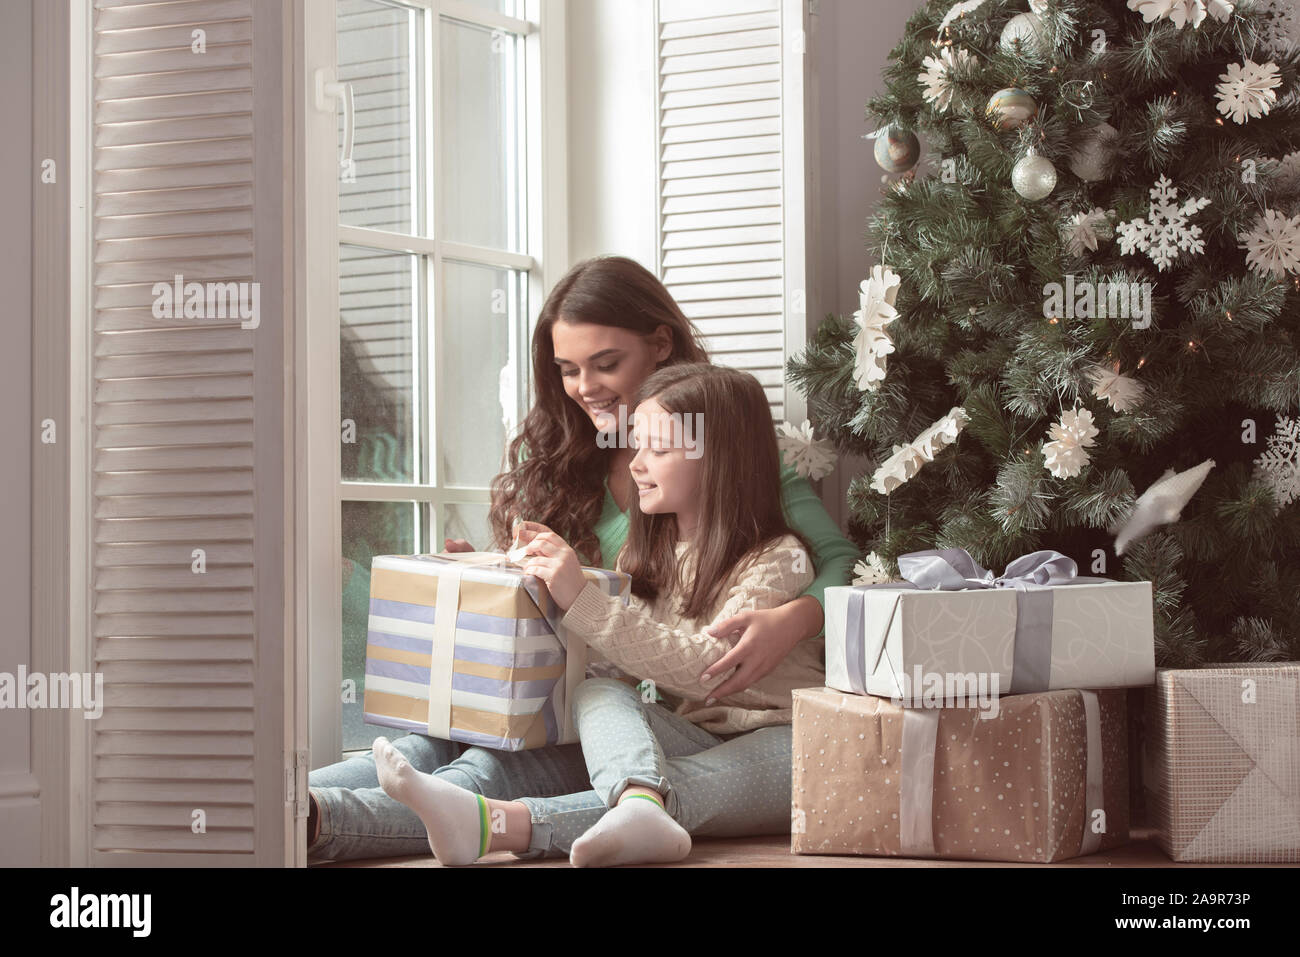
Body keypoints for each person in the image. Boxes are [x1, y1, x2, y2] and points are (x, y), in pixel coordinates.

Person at [307, 256, 857, 862]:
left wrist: (796, 619)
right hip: (617, 703)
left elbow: (840, 565)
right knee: (448, 745)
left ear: (659, 346)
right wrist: (495, 581)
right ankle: (290, 805)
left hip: (702, 717)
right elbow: (598, 633)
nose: (585, 387)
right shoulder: (582, 475)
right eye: (567, 369)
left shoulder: (745, 486)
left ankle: (338, 823)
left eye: (606, 363)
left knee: (510, 769)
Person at [371, 364, 825, 864]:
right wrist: (506, 586)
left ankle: (495, 825)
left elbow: (711, 671)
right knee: (601, 694)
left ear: (722, 460)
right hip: (695, 734)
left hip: (787, 741)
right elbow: (617, 664)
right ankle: (633, 805)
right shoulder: (647, 555)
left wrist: (581, 599)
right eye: (636, 446)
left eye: (659, 449)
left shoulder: (779, 559)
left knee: (676, 787)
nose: (635, 464)